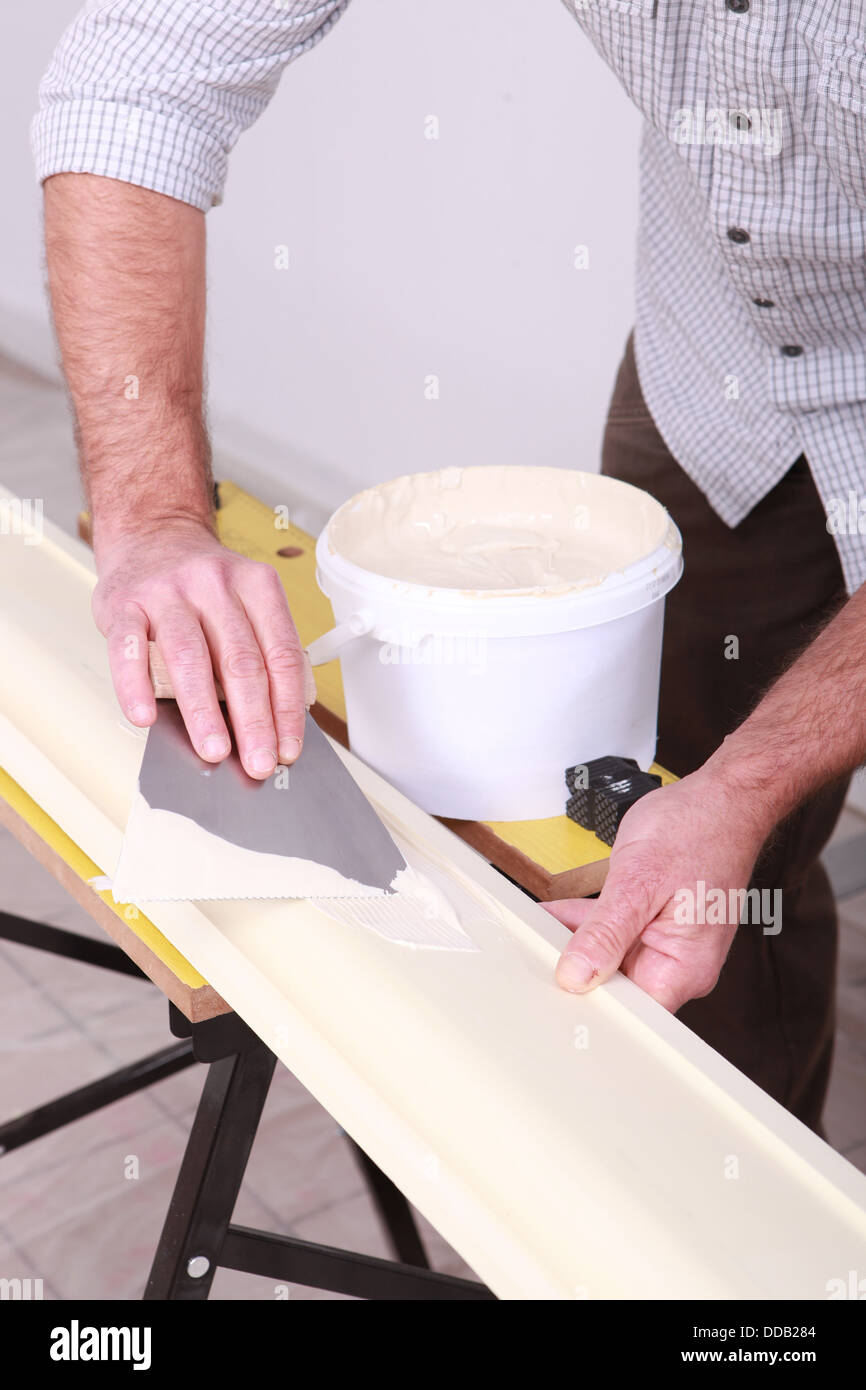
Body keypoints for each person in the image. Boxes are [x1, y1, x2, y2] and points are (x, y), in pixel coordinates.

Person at [32, 2, 866, 1133]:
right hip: (717, 364)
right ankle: (719, 1261)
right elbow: (137, 72)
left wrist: (749, 779)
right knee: (688, 867)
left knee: (732, 804)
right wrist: (154, 520)